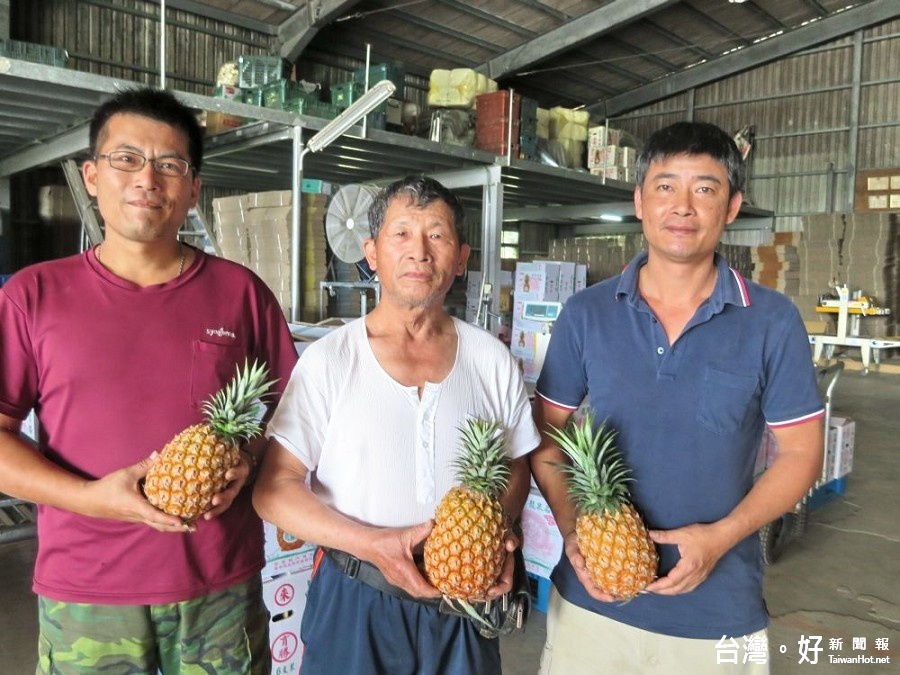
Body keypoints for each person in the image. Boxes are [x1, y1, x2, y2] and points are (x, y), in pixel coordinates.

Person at [0, 87, 299, 674]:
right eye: (127, 159)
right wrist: (90, 498)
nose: (147, 179)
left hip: (217, 583)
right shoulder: (32, 295)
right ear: (91, 175)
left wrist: (251, 455)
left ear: (194, 190)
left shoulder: (241, 293)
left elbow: (289, 414)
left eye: (170, 165)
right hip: (87, 586)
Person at [529, 121, 825, 674]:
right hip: (593, 604)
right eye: (665, 186)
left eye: (705, 189)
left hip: (718, 614)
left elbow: (803, 454)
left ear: (732, 206)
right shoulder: (586, 313)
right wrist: (574, 530)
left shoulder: (772, 321)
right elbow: (547, 437)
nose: (682, 206)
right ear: (640, 201)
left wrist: (720, 538)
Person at [252, 175, 541, 675]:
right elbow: (273, 491)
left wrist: (499, 529)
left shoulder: (491, 360)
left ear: (461, 256)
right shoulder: (330, 359)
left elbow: (516, 465)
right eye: (401, 233)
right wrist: (370, 545)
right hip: (357, 592)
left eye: (437, 235)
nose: (419, 252)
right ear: (371, 252)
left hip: (465, 598)